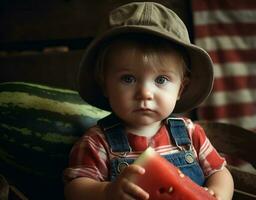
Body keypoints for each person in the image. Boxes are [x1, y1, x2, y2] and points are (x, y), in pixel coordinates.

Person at [63, 2, 234, 200]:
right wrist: (106, 192)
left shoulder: (190, 133)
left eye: (161, 80)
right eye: (128, 79)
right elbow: (74, 189)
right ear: (104, 86)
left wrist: (219, 193)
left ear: (181, 88)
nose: (145, 93)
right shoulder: (96, 142)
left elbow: (219, 172)